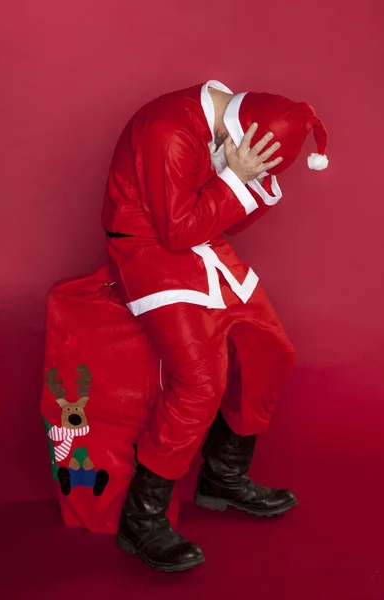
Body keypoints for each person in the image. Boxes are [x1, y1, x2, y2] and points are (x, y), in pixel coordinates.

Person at [101, 80, 328, 572]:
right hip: (148, 249)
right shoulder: (169, 130)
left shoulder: (228, 125)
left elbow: (219, 225)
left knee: (272, 352)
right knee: (201, 384)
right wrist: (235, 178)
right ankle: (141, 520)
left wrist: (245, 177)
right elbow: (177, 232)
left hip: (198, 241)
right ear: (237, 133)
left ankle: (222, 478)